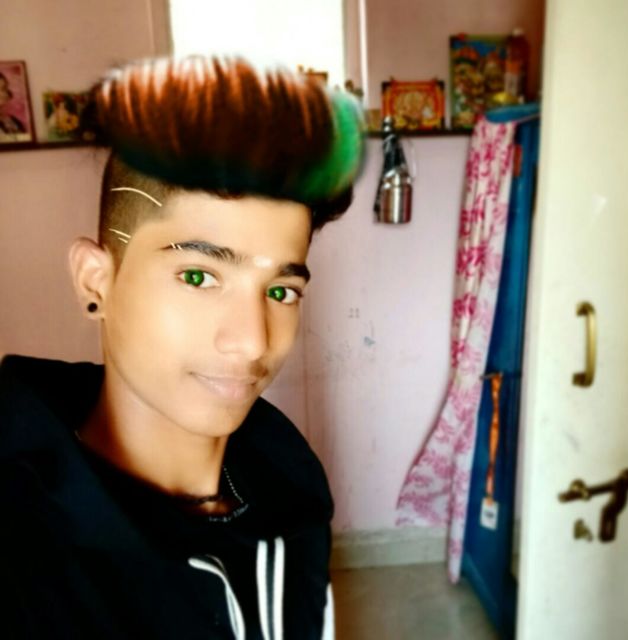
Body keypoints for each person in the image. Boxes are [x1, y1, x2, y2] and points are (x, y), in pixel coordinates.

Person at [0, 55, 364, 639]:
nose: (252, 341)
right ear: (96, 281)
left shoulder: (291, 487)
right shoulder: (24, 547)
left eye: (280, 291)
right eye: (198, 276)